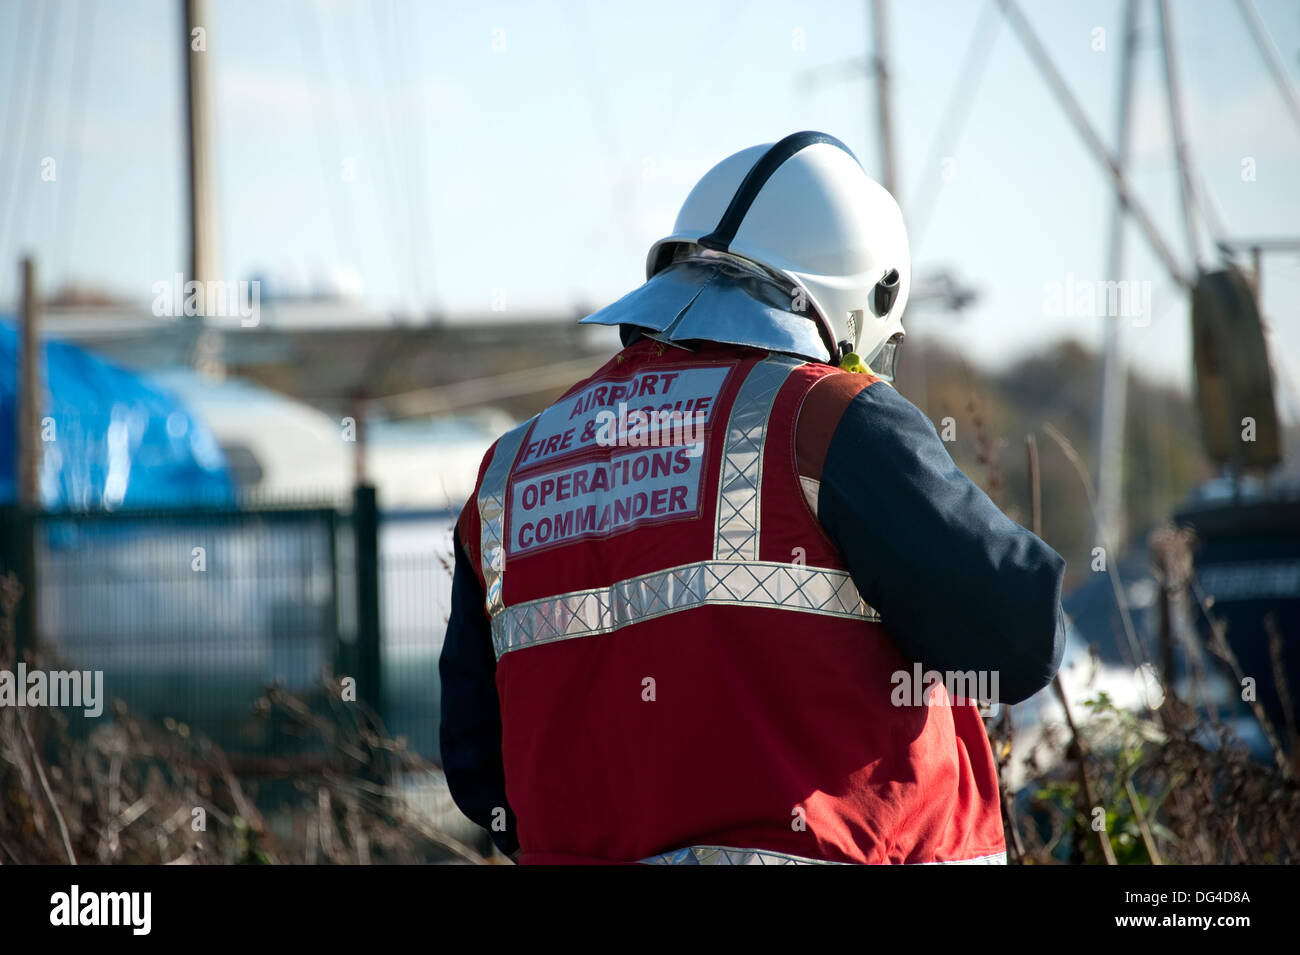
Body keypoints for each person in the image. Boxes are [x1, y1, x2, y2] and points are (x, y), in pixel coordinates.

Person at [440, 131, 1065, 865]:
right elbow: (1019, 638)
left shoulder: (510, 468)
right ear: (867, 299)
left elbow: (477, 768)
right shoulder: (828, 419)